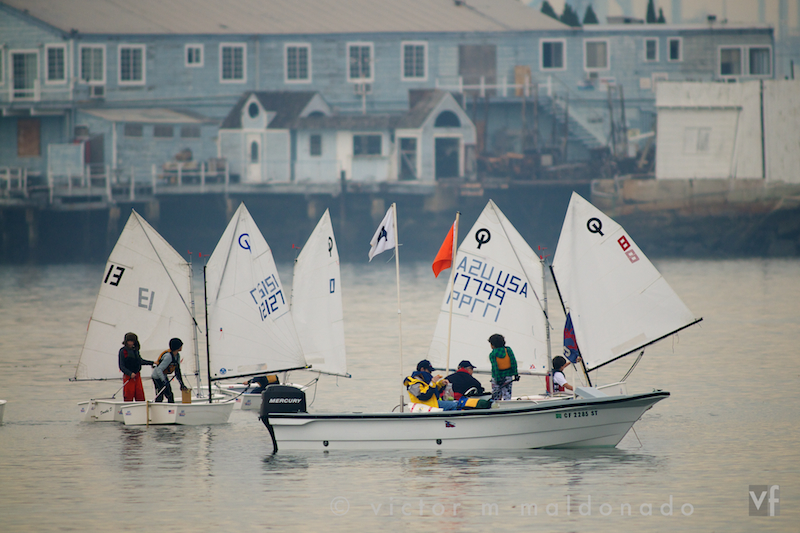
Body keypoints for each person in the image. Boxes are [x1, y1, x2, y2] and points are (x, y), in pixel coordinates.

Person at [118, 332, 153, 401]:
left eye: (132, 341)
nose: (130, 343)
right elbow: (121, 366)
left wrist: (152, 362)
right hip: (128, 376)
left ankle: (141, 406)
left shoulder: (135, 350)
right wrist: (130, 373)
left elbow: (140, 361)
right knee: (128, 395)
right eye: (129, 341)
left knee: (140, 394)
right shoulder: (123, 351)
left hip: (137, 376)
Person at [152, 338, 188, 403]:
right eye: (181, 345)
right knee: (160, 395)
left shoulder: (177, 356)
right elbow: (159, 369)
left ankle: (171, 407)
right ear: (177, 347)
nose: (182, 347)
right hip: (157, 377)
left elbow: (177, 371)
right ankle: (157, 407)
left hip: (163, 376)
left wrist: (181, 384)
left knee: (170, 395)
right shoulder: (168, 356)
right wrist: (164, 380)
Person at [488, 334, 519, 401]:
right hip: (508, 376)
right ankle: (507, 405)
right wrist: (516, 374)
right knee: (507, 395)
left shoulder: (492, 354)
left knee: (496, 396)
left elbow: (495, 368)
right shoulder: (508, 350)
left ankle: (495, 406)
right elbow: (513, 362)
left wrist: (498, 379)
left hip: (496, 378)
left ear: (492, 345)